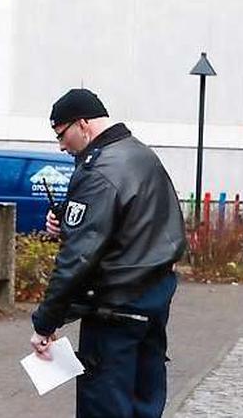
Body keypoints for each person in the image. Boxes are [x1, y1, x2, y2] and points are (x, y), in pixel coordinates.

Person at [29, 89, 187, 417]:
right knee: (145, 405)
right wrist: (70, 226)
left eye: (61, 134)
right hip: (153, 302)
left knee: (104, 407)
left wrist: (46, 322)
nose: (61, 145)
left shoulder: (99, 170)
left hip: (114, 311)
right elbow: (142, 228)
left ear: (82, 124)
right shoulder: (142, 155)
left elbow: (78, 258)